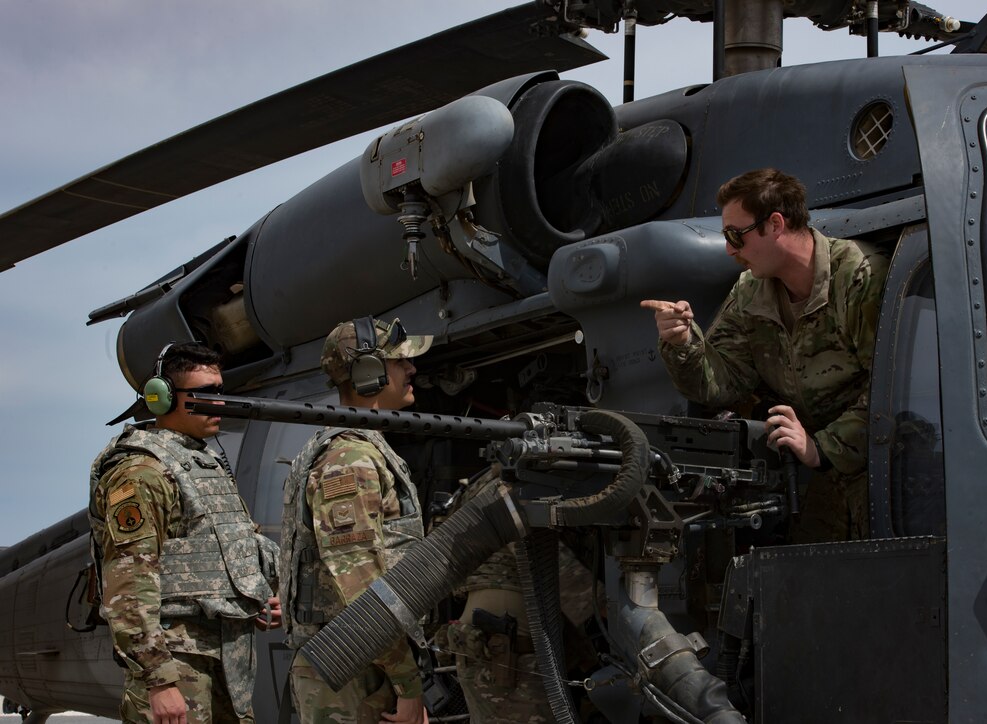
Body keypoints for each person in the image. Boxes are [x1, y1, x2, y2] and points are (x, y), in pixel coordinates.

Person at [641, 168, 889, 542]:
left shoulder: (858, 277)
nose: (729, 249)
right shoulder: (751, 293)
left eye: (735, 235)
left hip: (887, 470)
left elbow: (896, 388)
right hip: (819, 480)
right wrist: (683, 344)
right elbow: (718, 383)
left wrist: (821, 446)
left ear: (775, 224)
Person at [88, 341, 281, 723]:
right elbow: (128, 582)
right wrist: (159, 680)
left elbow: (226, 551)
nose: (219, 403)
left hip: (227, 663)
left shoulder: (203, 465)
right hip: (177, 667)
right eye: (205, 394)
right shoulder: (142, 472)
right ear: (162, 399)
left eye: (220, 391)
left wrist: (256, 597)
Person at [280, 317, 432, 724]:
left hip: (363, 664)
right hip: (355, 671)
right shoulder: (352, 458)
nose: (411, 369)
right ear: (369, 373)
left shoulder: (358, 448)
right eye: (401, 361)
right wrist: (407, 683)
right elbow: (360, 582)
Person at [442, 468, 602, 724]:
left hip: (508, 650)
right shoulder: (515, 484)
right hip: (509, 655)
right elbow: (554, 569)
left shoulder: (499, 480)